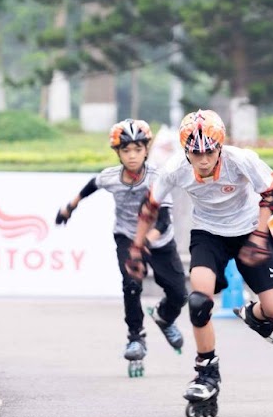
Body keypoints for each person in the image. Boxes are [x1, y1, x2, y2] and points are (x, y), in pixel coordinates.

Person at [127, 109, 273, 417]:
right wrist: (136, 248)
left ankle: (254, 316)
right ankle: (206, 372)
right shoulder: (175, 168)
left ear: (220, 147)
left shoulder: (240, 160)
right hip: (208, 234)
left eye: (209, 152)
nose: (203, 160)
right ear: (186, 150)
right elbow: (150, 206)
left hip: (249, 230)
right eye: (195, 152)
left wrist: (260, 233)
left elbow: (271, 192)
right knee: (199, 302)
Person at [55, 119, 187, 377]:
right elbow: (92, 185)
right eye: (126, 151)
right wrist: (69, 206)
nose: (132, 156)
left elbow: (163, 219)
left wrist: (146, 243)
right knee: (131, 283)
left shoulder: (158, 178)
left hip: (159, 240)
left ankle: (164, 316)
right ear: (118, 153)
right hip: (126, 235)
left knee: (178, 293)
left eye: (137, 150)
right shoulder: (112, 177)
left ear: (147, 150)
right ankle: (135, 337)